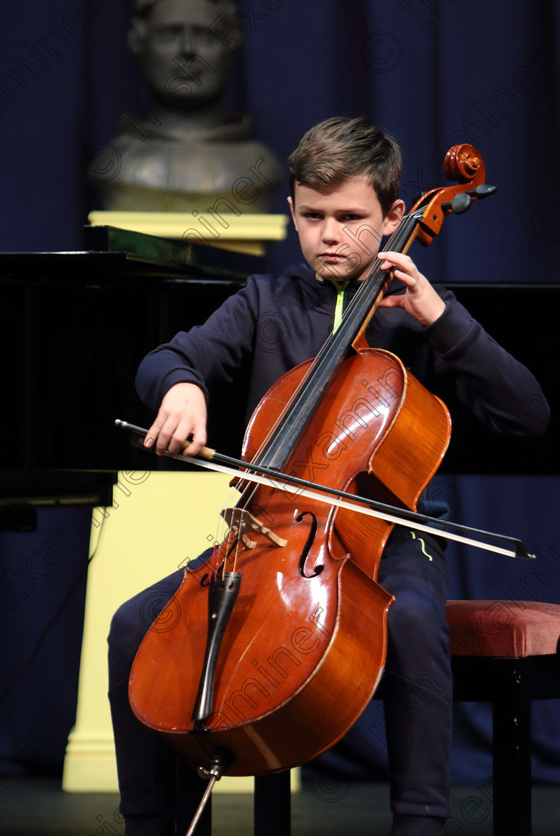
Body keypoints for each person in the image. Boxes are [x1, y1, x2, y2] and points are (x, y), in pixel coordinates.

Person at [108, 116, 550, 836]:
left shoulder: (420, 317)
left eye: (351, 218)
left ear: (396, 217)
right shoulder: (263, 302)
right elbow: (166, 357)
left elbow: (528, 414)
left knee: (406, 618)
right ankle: (148, 825)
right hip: (267, 534)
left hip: (390, 543)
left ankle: (421, 823)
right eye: (312, 216)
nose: (330, 235)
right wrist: (180, 388)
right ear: (292, 212)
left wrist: (441, 318)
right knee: (134, 623)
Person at [89, 0, 282, 211]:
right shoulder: (116, 164)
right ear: (138, 44)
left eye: (206, 36)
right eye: (169, 35)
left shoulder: (259, 167)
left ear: (231, 49)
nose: (188, 49)